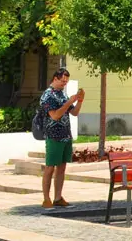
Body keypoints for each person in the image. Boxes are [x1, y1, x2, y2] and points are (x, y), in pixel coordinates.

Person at [39, 68, 84, 209]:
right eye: (63, 81)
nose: (65, 83)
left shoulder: (61, 95)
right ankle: (46, 199)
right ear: (55, 78)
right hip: (54, 136)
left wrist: (79, 101)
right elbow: (55, 115)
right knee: (50, 167)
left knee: (62, 167)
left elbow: (74, 113)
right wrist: (68, 102)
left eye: (66, 81)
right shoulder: (48, 96)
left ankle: (58, 197)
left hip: (65, 136)